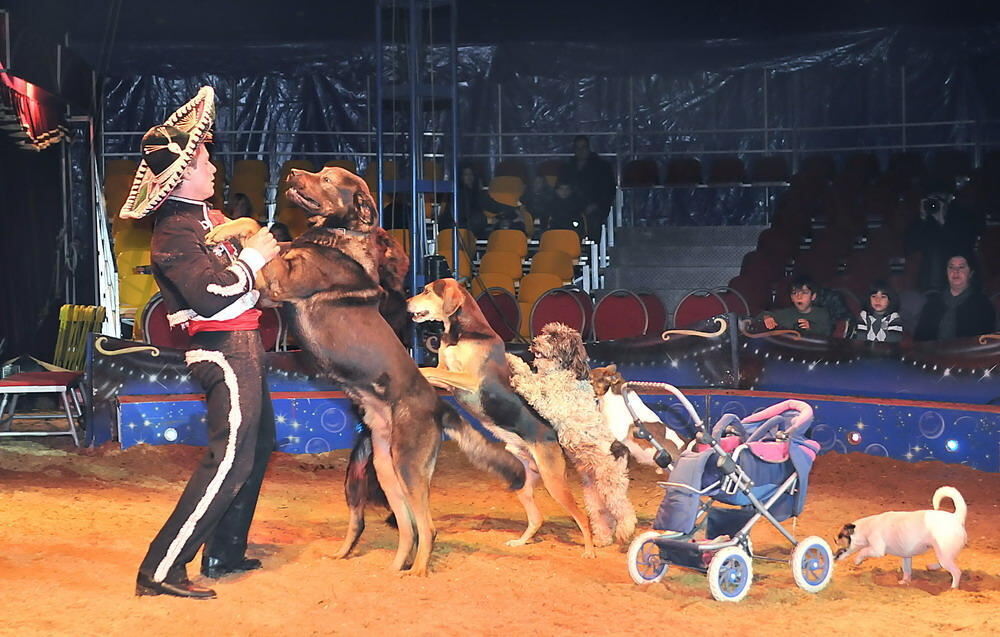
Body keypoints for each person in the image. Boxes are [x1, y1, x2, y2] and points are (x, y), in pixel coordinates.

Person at [119, 86, 281, 599]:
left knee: (255, 448)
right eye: (204, 159)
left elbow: (244, 286)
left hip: (243, 345)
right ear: (183, 173)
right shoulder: (174, 231)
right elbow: (213, 296)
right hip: (222, 350)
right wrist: (253, 259)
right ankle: (161, 569)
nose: (213, 166)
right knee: (229, 456)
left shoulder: (208, 221)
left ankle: (224, 551)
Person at [904, 178, 982, 291]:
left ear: (949, 198)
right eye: (932, 198)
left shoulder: (963, 218)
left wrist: (942, 222)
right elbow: (909, 249)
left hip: (956, 281)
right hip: (926, 284)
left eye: (939, 199)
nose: (934, 203)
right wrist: (922, 218)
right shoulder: (920, 221)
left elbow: (964, 249)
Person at [914, 254, 996, 341]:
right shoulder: (932, 304)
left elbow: (986, 341)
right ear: (946, 272)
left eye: (961, 267)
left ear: (971, 273)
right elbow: (920, 339)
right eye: (951, 267)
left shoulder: (983, 305)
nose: (955, 271)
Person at [559, 135, 615, 239]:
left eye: (583, 147)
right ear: (574, 150)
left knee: (593, 221)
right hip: (571, 206)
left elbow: (608, 191)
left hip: (595, 206)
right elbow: (560, 187)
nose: (581, 151)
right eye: (578, 148)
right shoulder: (567, 167)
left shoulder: (602, 167)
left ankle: (592, 251)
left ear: (589, 148)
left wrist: (596, 205)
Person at [756, 275, 833, 337]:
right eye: (794, 293)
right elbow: (760, 316)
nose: (799, 297)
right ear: (791, 298)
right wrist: (766, 317)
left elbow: (828, 333)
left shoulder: (822, 314)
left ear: (813, 296)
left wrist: (811, 328)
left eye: (804, 293)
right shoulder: (786, 313)